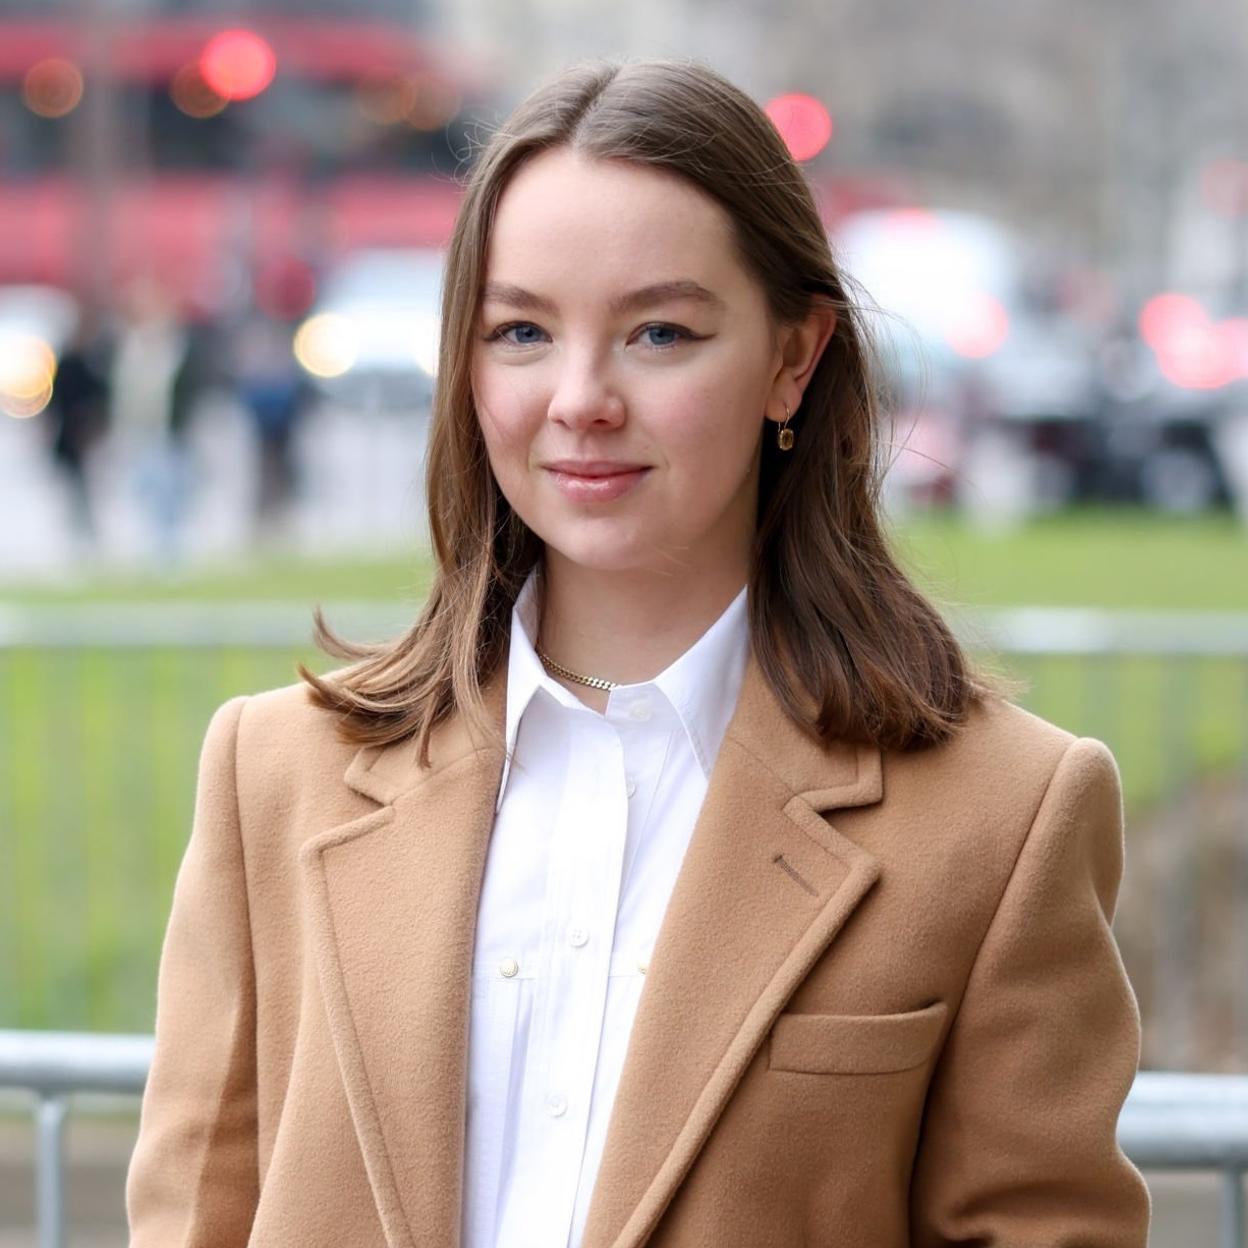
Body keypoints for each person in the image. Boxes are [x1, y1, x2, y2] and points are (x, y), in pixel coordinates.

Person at [126, 58, 1150, 1247]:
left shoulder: (1002, 817)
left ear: (793, 357)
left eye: (659, 331)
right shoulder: (273, 775)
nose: (580, 397)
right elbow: (196, 1215)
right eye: (521, 331)